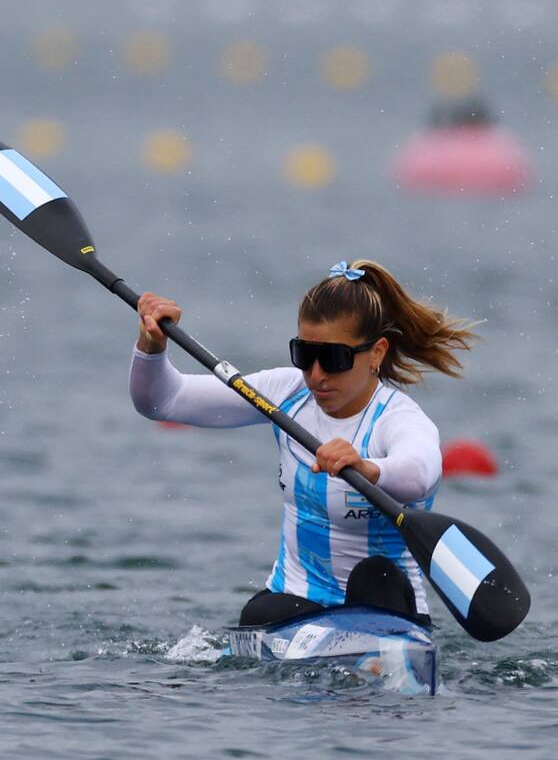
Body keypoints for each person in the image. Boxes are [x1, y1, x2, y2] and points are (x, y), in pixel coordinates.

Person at [129, 260, 477, 626]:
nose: (316, 375)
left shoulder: (397, 418)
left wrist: (367, 467)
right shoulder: (286, 392)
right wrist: (151, 346)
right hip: (297, 606)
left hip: (385, 610)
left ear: (377, 352)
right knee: (257, 614)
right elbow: (162, 401)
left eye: (333, 358)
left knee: (378, 575)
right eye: (306, 355)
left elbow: (421, 472)